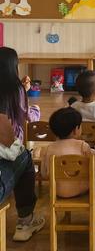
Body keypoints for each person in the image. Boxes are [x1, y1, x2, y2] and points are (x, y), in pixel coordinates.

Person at [0, 46, 44, 242]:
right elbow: (22, 118)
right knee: (24, 156)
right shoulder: (14, 90)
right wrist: (32, 106)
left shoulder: (16, 90)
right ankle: (25, 222)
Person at [41, 107, 92, 198]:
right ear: (76, 130)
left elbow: (44, 174)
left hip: (57, 191)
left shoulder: (48, 148)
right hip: (82, 189)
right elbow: (92, 170)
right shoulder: (83, 146)